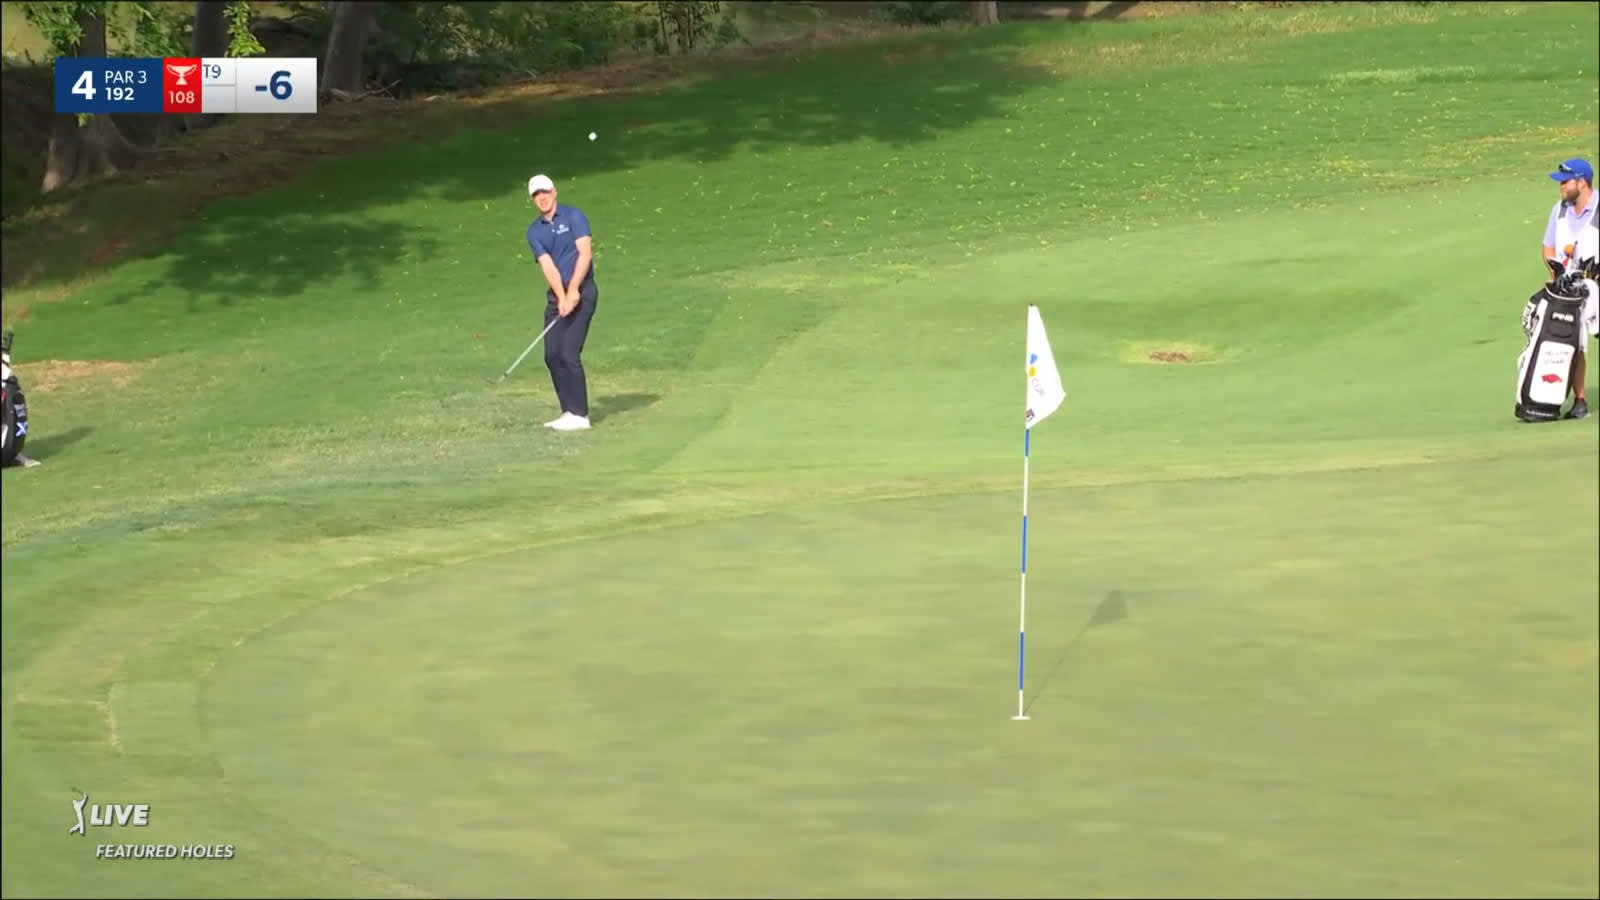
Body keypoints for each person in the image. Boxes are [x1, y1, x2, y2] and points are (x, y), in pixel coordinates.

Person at [525, 174, 599, 431]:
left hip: (584, 290)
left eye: (545, 191)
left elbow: (585, 253)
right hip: (558, 295)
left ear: (554, 191)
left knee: (569, 353)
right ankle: (568, 411)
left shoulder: (573, 216)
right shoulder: (534, 231)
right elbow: (548, 266)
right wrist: (562, 295)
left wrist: (574, 290)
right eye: (536, 195)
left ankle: (581, 415)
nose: (542, 197)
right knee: (552, 354)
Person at [1540, 158, 1596, 419]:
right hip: (1569, 287)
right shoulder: (1559, 210)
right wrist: (1556, 273)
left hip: (1596, 283)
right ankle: (1580, 399)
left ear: (1582, 182)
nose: (1561, 186)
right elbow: (1548, 247)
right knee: (1573, 341)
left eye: (1565, 181)